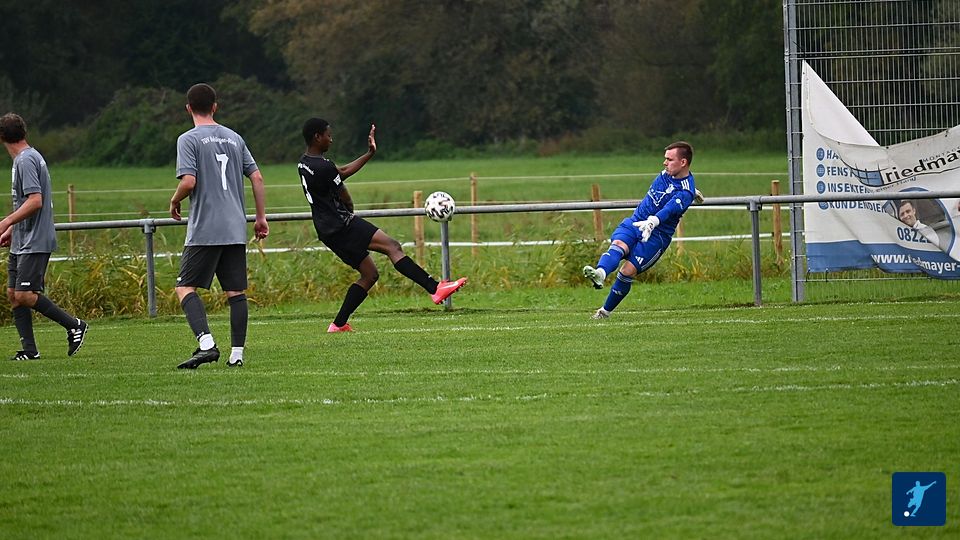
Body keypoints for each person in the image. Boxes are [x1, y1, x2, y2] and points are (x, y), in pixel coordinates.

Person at [298, 118, 467, 332]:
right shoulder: (324, 166)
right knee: (392, 246)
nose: (331, 139)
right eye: (328, 135)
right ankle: (435, 289)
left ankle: (338, 324)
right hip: (341, 225)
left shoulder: (304, 163)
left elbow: (340, 173)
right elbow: (344, 192)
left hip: (326, 230)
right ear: (317, 137)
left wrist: (369, 154)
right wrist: (349, 209)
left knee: (369, 274)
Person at [170, 83, 268, 369]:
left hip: (206, 227)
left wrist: (174, 200)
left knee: (184, 287)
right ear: (215, 107)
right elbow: (257, 177)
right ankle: (236, 355)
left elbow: (189, 181)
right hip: (235, 226)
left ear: (188, 108)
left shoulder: (188, 139)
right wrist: (260, 217)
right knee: (236, 292)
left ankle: (207, 344)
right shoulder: (235, 138)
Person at [0, 113, 88, 360]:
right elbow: (25, 203)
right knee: (13, 295)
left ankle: (74, 325)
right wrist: (12, 230)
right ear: (24, 132)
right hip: (22, 239)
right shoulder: (25, 158)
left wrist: (6, 221)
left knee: (25, 295)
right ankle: (30, 350)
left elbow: (35, 201)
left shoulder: (26, 160)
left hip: (35, 239)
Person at [582, 141, 700, 319]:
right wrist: (694, 190)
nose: (664, 163)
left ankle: (604, 312)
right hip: (636, 222)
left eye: (669, 159)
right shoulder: (669, 174)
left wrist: (653, 221)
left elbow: (670, 209)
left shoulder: (685, 192)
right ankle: (601, 273)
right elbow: (678, 184)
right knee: (618, 245)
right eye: (665, 158)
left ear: (683, 162)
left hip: (656, 235)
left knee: (627, 271)